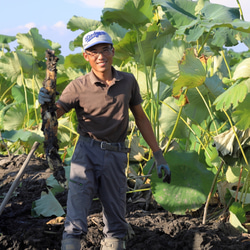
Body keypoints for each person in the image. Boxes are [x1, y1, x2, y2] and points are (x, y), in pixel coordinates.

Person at [38, 30, 171, 250]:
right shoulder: (78, 86)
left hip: (117, 155)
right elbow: (53, 117)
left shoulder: (127, 81)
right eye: (94, 52)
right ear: (86, 56)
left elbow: (140, 117)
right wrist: (46, 104)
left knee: (116, 220)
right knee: (75, 216)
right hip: (86, 154)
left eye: (104, 50)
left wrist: (158, 155)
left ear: (113, 51)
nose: (100, 56)